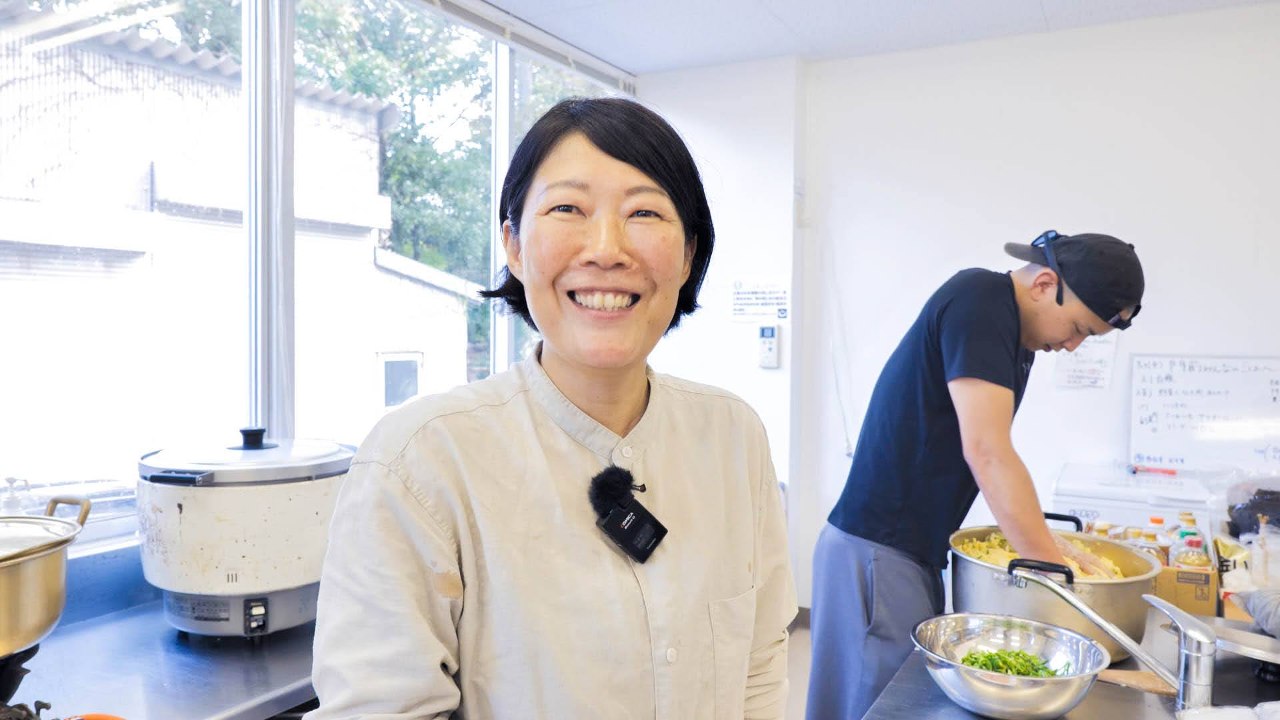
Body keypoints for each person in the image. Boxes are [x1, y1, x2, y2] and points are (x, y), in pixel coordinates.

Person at [306, 97, 797, 720]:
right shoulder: (420, 461)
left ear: (688, 255)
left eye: (644, 212)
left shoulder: (732, 435)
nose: (607, 249)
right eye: (568, 209)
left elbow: (758, 663)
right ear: (513, 245)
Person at [805, 230, 1145, 719]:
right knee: (877, 707)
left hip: (909, 552)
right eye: (1079, 328)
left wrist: (1049, 545)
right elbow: (987, 451)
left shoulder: (1013, 333)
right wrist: (1058, 577)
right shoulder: (981, 300)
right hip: (877, 551)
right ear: (1044, 284)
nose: (1072, 346)